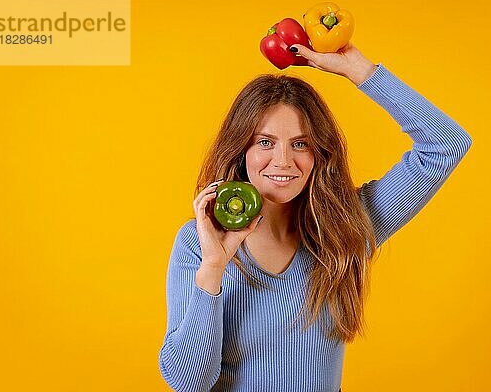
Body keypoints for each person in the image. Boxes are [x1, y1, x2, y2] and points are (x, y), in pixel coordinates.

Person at [158, 42, 472, 392]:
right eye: (265, 142)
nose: (283, 160)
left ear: (318, 153)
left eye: (300, 143)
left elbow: (446, 145)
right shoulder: (198, 244)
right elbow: (189, 383)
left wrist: (358, 69)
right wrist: (213, 267)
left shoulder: (346, 227)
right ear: (241, 149)